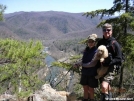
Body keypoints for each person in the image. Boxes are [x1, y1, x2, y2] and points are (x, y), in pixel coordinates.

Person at [97, 23, 122, 101]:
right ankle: (108, 98)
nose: (106, 31)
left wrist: (109, 63)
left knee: (104, 86)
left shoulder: (115, 44)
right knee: (104, 86)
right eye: (104, 30)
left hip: (112, 67)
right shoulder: (100, 42)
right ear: (102, 31)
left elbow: (119, 58)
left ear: (112, 31)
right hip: (102, 66)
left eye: (108, 30)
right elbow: (97, 55)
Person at [74, 34, 98, 101]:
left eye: (92, 41)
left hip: (92, 73)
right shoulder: (86, 50)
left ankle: (92, 99)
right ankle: (85, 99)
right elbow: (83, 60)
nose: (90, 43)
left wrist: (82, 64)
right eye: (89, 41)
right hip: (85, 72)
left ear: (95, 42)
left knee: (91, 89)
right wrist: (77, 64)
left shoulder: (97, 51)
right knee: (85, 87)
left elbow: (92, 64)